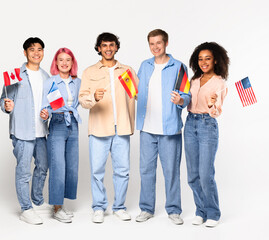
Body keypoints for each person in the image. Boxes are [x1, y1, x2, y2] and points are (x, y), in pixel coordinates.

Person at [79, 32, 139, 223]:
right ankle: (99, 207)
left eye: (111, 45)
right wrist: (94, 98)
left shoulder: (126, 71)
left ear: (116, 47)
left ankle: (119, 207)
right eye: (104, 45)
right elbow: (82, 99)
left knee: (123, 170)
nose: (108, 49)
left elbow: (138, 95)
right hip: (98, 128)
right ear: (99, 48)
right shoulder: (90, 72)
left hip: (121, 127)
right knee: (97, 170)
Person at [135, 29, 191, 224]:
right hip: (147, 129)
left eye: (159, 43)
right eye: (152, 43)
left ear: (166, 43)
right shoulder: (144, 65)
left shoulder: (179, 66)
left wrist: (181, 100)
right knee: (146, 170)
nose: (155, 47)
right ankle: (146, 209)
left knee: (171, 170)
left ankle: (174, 210)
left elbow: (187, 95)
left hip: (170, 128)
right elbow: (137, 89)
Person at [0, 37, 49, 225]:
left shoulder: (46, 77)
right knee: (23, 171)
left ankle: (36, 201)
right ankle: (26, 209)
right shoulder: (15, 75)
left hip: (42, 132)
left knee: (43, 167)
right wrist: (7, 106)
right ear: (25, 52)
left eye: (39, 49)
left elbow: (50, 104)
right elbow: (2, 101)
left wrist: (47, 114)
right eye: (32, 49)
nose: (36, 53)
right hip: (22, 132)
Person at [185, 42, 230, 227]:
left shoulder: (219, 82)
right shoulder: (194, 80)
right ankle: (200, 210)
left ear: (215, 60)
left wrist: (212, 104)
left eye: (208, 58)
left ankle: (213, 213)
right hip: (189, 125)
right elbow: (186, 99)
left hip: (207, 125)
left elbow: (217, 112)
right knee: (193, 174)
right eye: (200, 58)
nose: (203, 62)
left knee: (205, 174)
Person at [40, 48, 81, 223]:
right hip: (57, 122)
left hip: (74, 123)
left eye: (68, 60)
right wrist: (45, 114)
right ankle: (56, 208)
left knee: (71, 167)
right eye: (61, 60)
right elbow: (45, 106)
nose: (64, 63)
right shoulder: (51, 82)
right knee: (58, 166)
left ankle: (61, 204)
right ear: (56, 63)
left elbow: (83, 100)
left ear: (72, 63)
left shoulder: (77, 82)